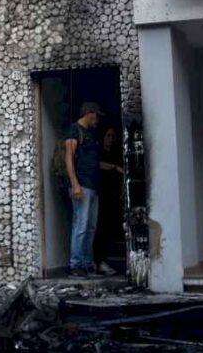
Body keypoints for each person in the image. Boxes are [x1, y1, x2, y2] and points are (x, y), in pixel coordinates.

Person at [64, 102, 117, 277]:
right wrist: (75, 185)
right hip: (82, 185)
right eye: (96, 116)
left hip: (94, 186)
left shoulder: (91, 133)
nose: (97, 120)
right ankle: (76, 264)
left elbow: (95, 162)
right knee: (80, 224)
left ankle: (87, 263)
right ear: (89, 113)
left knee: (91, 226)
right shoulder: (74, 131)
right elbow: (69, 159)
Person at [93, 126, 125, 276]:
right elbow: (96, 164)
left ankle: (103, 260)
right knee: (99, 228)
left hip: (113, 195)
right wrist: (114, 168)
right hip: (100, 194)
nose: (111, 139)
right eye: (108, 136)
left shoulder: (116, 153)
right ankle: (98, 261)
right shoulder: (98, 151)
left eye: (113, 136)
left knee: (109, 228)